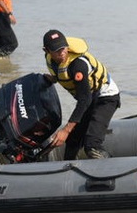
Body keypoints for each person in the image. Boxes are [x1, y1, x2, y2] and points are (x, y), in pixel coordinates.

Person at [42, 29, 121, 160]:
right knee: (73, 140)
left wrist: (66, 130)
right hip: (89, 97)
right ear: (46, 51)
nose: (62, 53)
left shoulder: (78, 65)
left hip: (106, 97)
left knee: (92, 146)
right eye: (56, 50)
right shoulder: (50, 59)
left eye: (63, 48)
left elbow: (84, 99)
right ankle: (66, 172)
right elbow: (65, 75)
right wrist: (54, 78)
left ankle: (112, 168)